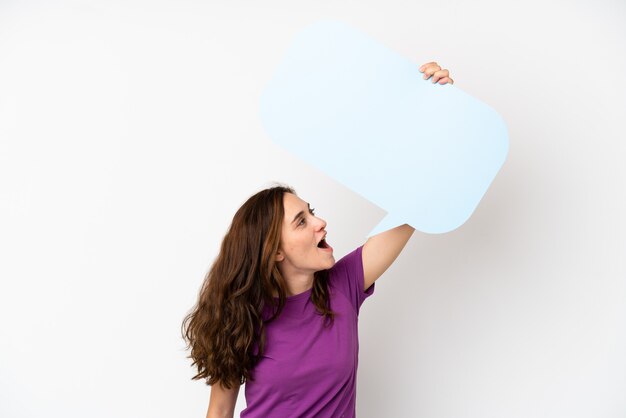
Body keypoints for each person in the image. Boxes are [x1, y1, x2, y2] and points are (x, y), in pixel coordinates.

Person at [182, 62, 454, 418]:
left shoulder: (345, 284)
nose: (320, 223)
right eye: (302, 221)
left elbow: (415, 202)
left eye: (312, 212)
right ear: (275, 251)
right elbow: (219, 411)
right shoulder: (243, 318)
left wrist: (439, 111)